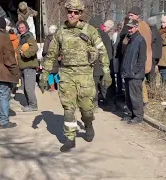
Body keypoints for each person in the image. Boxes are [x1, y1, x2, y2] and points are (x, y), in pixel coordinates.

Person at [40, 0, 109, 152]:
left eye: (75, 12)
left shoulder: (90, 30)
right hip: (66, 75)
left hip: (85, 75)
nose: (72, 15)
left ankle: (88, 124)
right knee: (68, 108)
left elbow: (102, 51)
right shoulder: (60, 31)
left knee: (87, 109)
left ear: (80, 14)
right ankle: (70, 137)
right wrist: (44, 74)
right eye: (70, 12)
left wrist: (107, 72)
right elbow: (51, 55)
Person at [121, 19, 146, 124]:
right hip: (127, 73)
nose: (129, 30)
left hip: (135, 74)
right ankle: (130, 114)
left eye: (131, 28)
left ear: (136, 27)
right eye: (128, 27)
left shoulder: (140, 40)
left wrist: (135, 70)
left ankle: (138, 116)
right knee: (128, 96)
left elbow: (142, 58)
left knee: (135, 96)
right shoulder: (130, 39)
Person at [128, 7, 152, 106]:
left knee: (139, 81)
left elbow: (139, 42)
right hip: (142, 57)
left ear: (138, 16)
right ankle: (142, 100)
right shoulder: (141, 25)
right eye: (129, 15)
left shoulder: (140, 26)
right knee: (140, 81)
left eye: (132, 15)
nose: (130, 17)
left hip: (140, 58)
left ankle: (142, 101)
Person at [88, 16, 113, 107]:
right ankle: (109, 103)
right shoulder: (105, 35)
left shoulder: (90, 35)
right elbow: (109, 52)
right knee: (105, 85)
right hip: (104, 65)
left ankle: (95, 104)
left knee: (93, 85)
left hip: (94, 66)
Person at [16, 21, 39, 112]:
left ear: (26, 27)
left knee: (29, 87)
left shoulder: (29, 36)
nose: (21, 29)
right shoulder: (22, 38)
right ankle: (30, 104)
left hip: (29, 65)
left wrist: (25, 54)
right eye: (19, 28)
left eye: (22, 27)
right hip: (23, 66)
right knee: (25, 87)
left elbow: (34, 48)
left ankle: (33, 105)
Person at [42, 25, 60, 92]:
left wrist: (43, 55)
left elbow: (45, 50)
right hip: (56, 58)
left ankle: (52, 88)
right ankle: (58, 87)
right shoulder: (58, 38)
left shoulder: (48, 39)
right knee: (56, 73)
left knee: (50, 74)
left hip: (49, 58)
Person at [147, 16, 162, 88]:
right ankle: (152, 85)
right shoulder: (156, 30)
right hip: (156, 54)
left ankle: (152, 86)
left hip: (153, 54)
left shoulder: (153, 31)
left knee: (151, 70)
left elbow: (150, 40)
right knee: (152, 70)